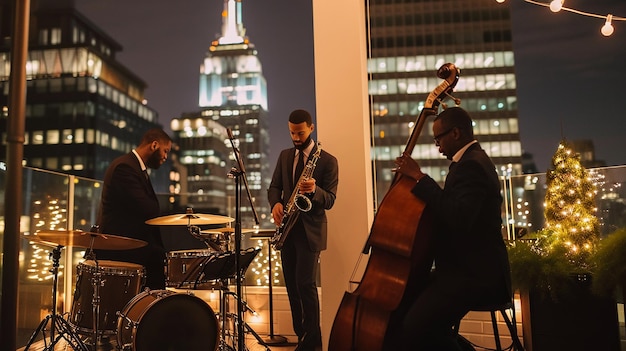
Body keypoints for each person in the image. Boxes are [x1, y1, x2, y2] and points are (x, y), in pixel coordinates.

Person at [393, 107, 511, 351]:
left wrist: (419, 178)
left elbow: (458, 217)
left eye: (438, 138)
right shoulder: (469, 162)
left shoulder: (472, 166)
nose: (437, 145)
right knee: (406, 305)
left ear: (455, 133)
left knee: (416, 327)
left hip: (475, 275)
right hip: (463, 270)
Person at [268, 109, 339, 351]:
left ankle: (313, 343)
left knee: (305, 285)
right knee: (291, 286)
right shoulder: (285, 156)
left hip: (310, 232)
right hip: (288, 229)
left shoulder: (328, 161)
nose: (295, 137)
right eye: (291, 133)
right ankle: (303, 339)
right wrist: (275, 203)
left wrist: (315, 190)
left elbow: (330, 199)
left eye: (300, 132)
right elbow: (274, 186)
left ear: (311, 128)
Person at [94, 128, 172, 290]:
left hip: (134, 248)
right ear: (154, 145)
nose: (165, 157)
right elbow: (146, 209)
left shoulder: (135, 167)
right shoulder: (125, 168)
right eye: (165, 151)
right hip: (123, 252)